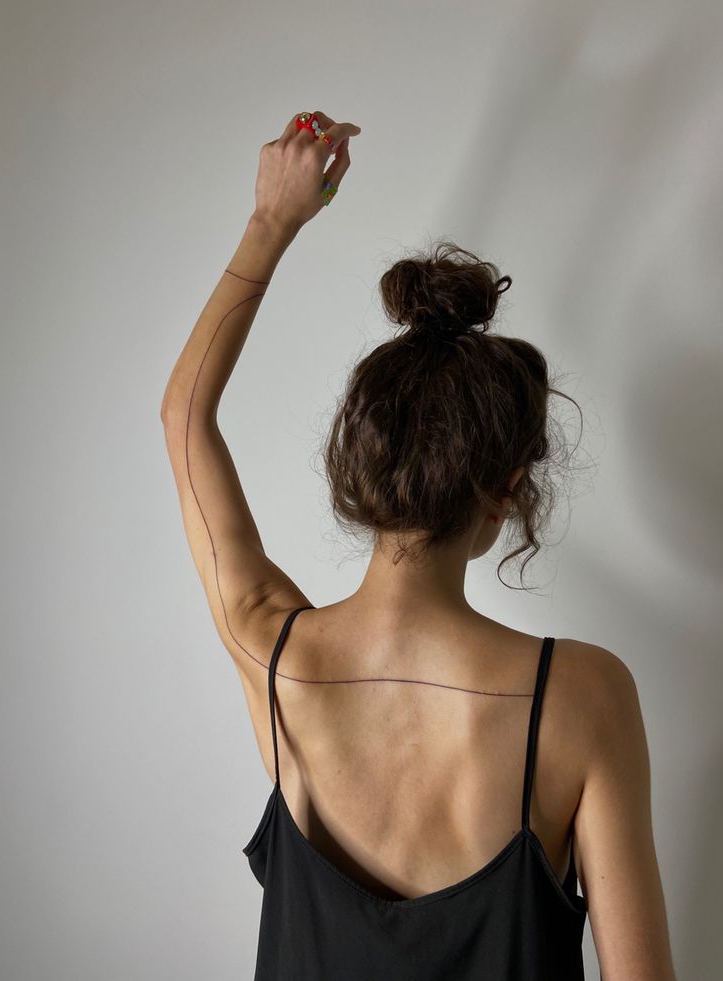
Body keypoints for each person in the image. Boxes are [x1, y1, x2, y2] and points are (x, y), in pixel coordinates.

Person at [160, 110, 677, 979]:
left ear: (361, 460)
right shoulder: (583, 698)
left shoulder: (275, 655)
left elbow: (184, 420)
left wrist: (273, 219)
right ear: (509, 489)